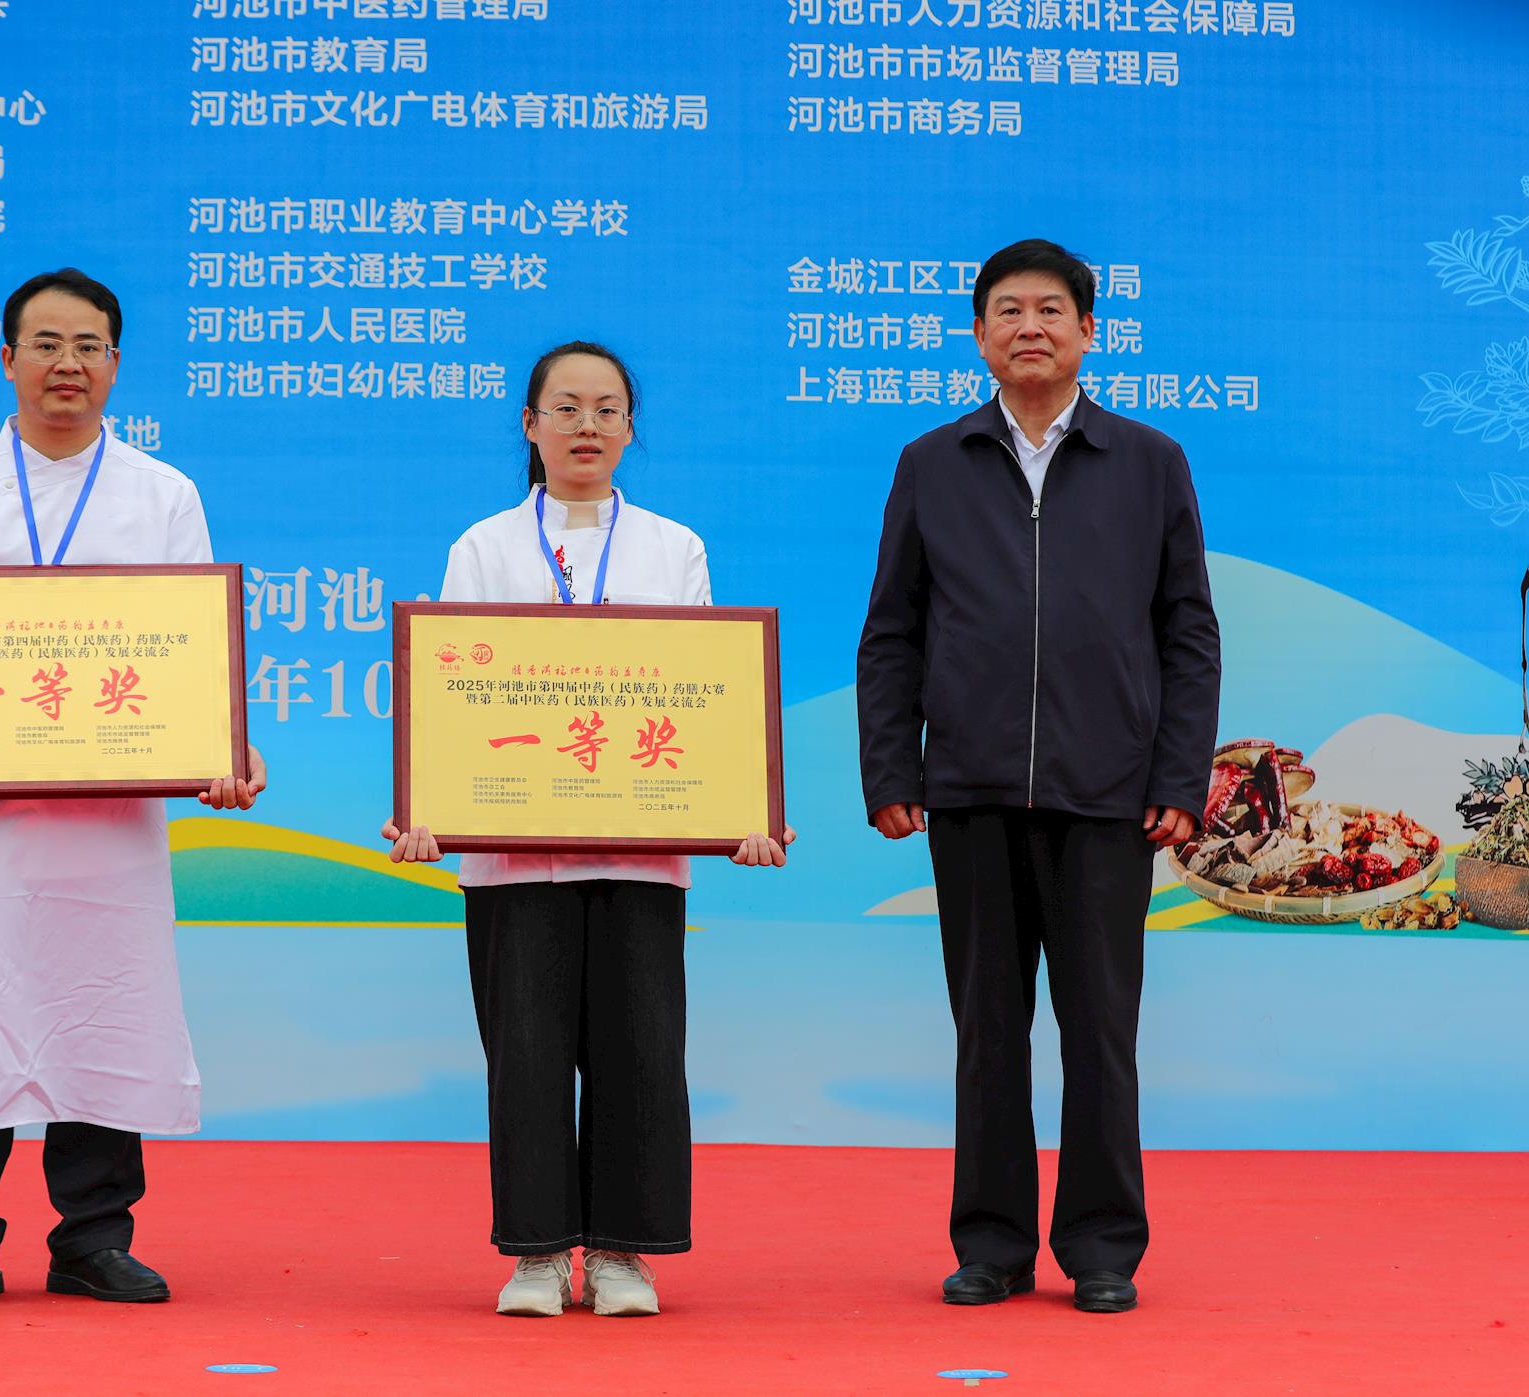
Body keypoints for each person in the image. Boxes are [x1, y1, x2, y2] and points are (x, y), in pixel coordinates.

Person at [0, 268, 267, 1309]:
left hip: (108, 819)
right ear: (7, 360)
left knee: (103, 1003)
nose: (66, 363)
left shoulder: (163, 494)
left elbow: (194, 651)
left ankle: (93, 1237)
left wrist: (230, 746)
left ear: (116, 364)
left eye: (88, 345)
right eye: (45, 343)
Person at [382, 341, 794, 1318]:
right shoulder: (484, 547)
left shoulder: (672, 547)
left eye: (607, 409)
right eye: (564, 407)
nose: (586, 426)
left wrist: (744, 811)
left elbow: (705, 698)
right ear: (529, 425)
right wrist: (426, 804)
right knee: (525, 1054)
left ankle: (619, 1253)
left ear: (629, 429)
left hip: (641, 853)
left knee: (639, 1053)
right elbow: (451, 691)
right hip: (511, 856)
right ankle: (534, 1252)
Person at [856, 239, 1221, 1315]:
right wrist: (893, 764)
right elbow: (892, 629)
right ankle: (993, 1243)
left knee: (1100, 1031)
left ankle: (1102, 1245)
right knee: (986, 1031)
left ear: (1088, 332)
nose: (1030, 326)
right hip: (968, 790)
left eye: (1051, 309)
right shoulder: (931, 462)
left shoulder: (1149, 461)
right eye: (1007, 309)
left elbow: (1187, 631)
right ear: (978, 336)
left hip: (1108, 795)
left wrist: (1178, 778)